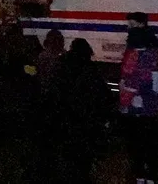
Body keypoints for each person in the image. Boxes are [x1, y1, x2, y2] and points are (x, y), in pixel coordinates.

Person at [47, 38, 113, 183]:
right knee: (83, 157)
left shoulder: (61, 66)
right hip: (86, 120)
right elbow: (102, 95)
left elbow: (53, 91)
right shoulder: (91, 68)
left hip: (65, 117)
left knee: (67, 154)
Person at [120, 12, 158, 184]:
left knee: (137, 145)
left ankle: (141, 176)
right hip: (155, 106)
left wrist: (124, 101)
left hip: (137, 108)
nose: (129, 28)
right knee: (153, 145)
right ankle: (151, 177)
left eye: (132, 24)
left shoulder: (134, 49)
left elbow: (131, 80)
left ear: (140, 25)